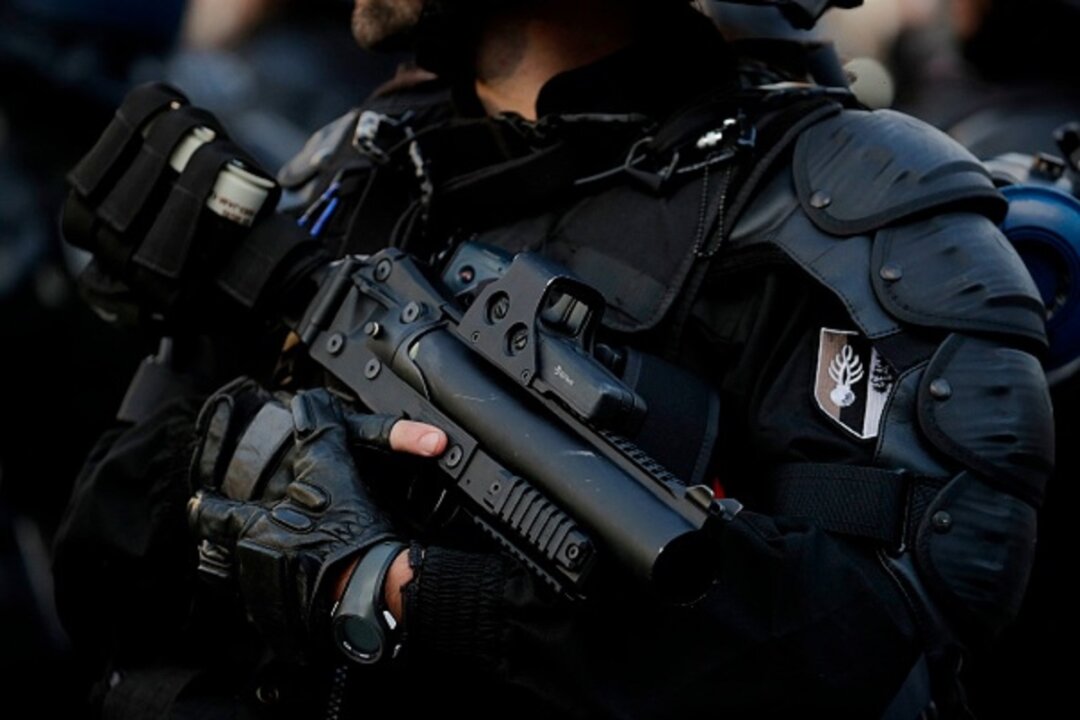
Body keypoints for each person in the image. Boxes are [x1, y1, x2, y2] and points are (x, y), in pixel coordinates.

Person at [52, 1, 1053, 718]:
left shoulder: (852, 213)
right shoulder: (350, 170)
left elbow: (867, 644)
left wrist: (400, 585)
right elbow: (100, 578)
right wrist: (228, 464)